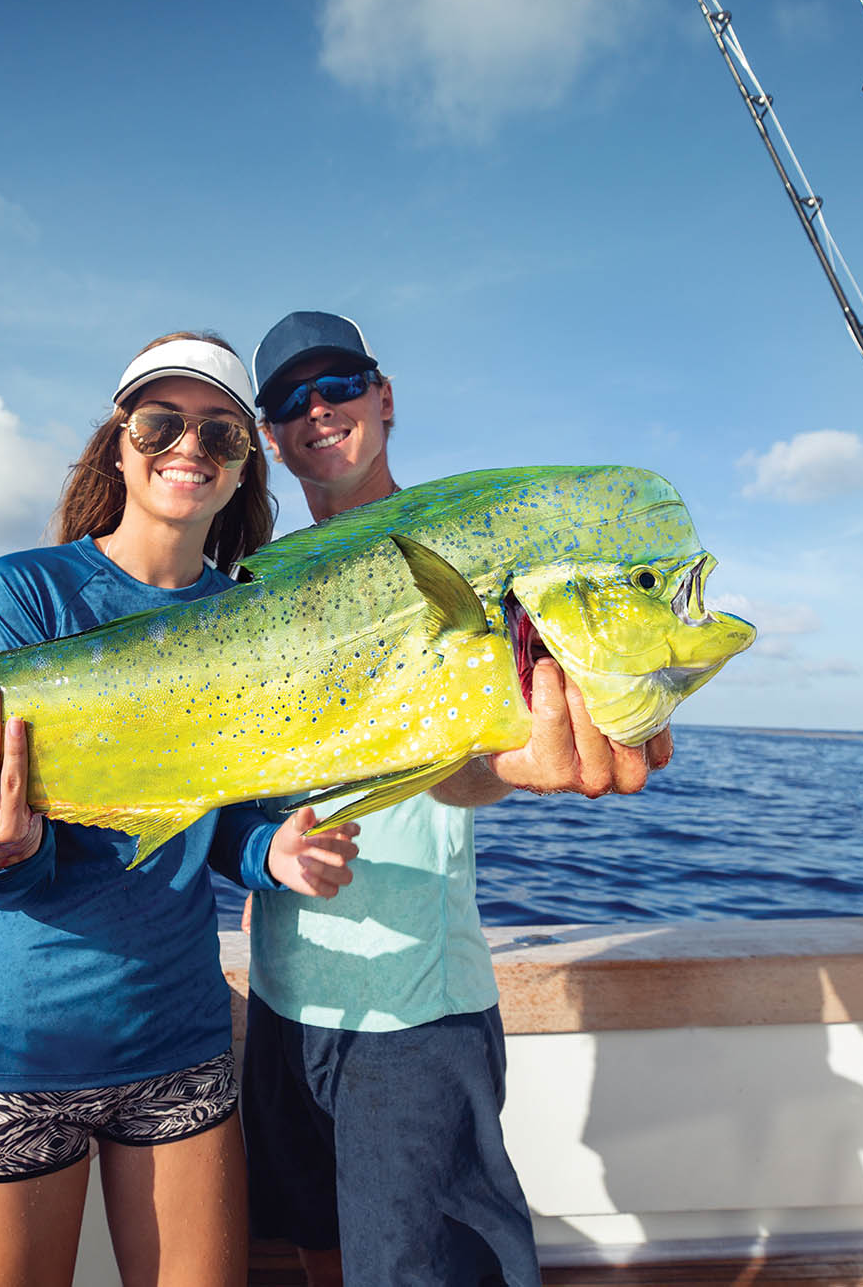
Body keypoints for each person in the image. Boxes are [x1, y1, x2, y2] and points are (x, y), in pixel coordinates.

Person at [0, 331, 363, 1287]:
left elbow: (228, 814)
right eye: (161, 424)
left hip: (177, 1043)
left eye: (220, 432)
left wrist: (272, 851)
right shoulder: (24, 590)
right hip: (14, 1048)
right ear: (118, 445)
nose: (189, 446)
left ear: (243, 467)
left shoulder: (255, 616)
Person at [241, 311, 675, 1286]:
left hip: (411, 1017)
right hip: (282, 994)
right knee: (317, 1249)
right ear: (270, 434)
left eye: (338, 384)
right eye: (290, 400)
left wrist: (513, 762)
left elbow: (467, 765)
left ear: (383, 396)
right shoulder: (263, 582)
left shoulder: (475, 550)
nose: (318, 410)